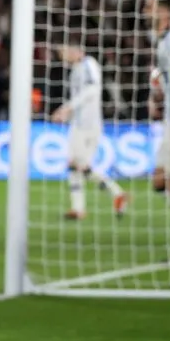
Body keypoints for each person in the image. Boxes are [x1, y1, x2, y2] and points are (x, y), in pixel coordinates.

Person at [50, 41, 126, 219]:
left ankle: (117, 193)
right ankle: (79, 208)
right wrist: (67, 113)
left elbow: (92, 89)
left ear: (76, 50)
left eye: (65, 52)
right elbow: (81, 98)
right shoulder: (75, 70)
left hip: (88, 124)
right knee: (75, 166)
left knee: (79, 166)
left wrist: (67, 108)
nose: (64, 57)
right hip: (79, 123)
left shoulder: (89, 64)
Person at [146, 0, 170, 201]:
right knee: (159, 180)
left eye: (151, 8)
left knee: (168, 177)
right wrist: (158, 91)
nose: (146, 11)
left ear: (165, 14)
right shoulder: (162, 42)